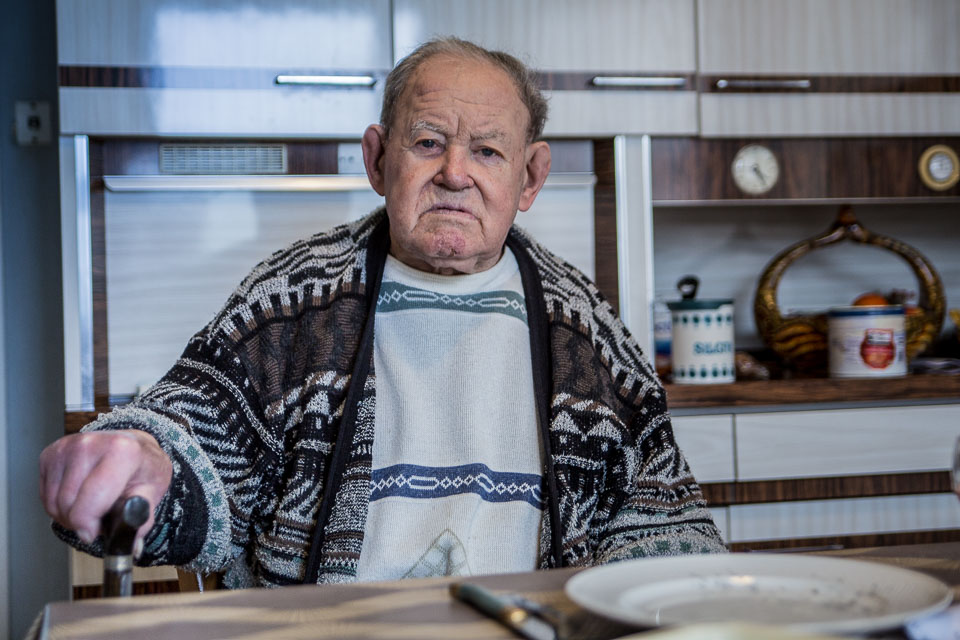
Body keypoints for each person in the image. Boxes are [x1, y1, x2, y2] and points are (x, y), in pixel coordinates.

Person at [39, 37, 725, 588]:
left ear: (530, 177)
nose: (455, 172)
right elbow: (191, 432)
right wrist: (142, 459)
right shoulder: (292, 299)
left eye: (487, 151)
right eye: (428, 142)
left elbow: (662, 521)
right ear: (377, 160)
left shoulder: (587, 328)